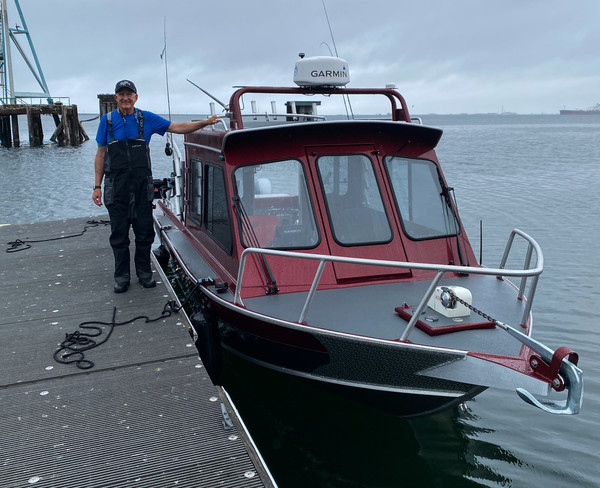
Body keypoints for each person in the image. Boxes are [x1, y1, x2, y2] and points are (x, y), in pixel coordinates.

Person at [93, 80, 218, 293]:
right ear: (116, 98)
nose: (125, 98)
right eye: (121, 94)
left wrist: (204, 123)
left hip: (142, 186)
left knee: (144, 233)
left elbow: (177, 127)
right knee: (119, 235)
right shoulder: (107, 121)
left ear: (136, 97)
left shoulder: (146, 118)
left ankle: (144, 272)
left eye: (129, 94)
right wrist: (97, 186)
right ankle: (122, 276)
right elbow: (101, 153)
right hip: (117, 187)